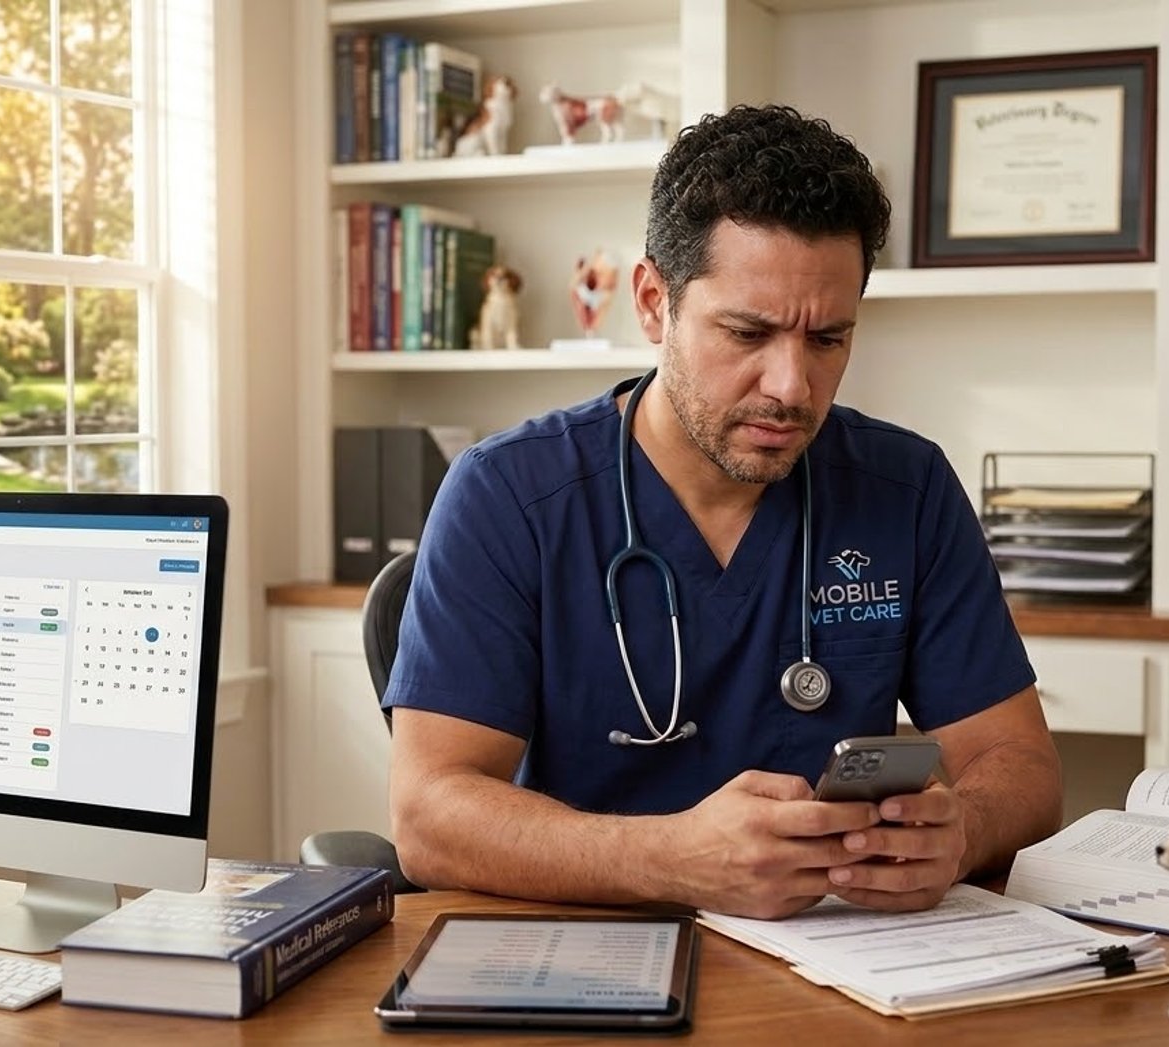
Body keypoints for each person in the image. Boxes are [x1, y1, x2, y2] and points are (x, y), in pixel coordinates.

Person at [382, 105, 1063, 920]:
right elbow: (427, 815)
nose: (790, 386)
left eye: (827, 340)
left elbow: (1019, 763)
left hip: (838, 963)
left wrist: (959, 831)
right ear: (651, 301)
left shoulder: (904, 490)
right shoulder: (509, 497)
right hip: (589, 952)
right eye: (748, 331)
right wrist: (673, 859)